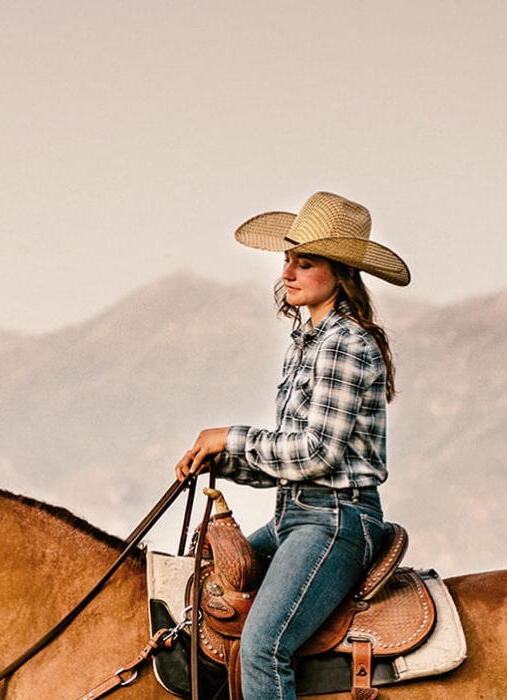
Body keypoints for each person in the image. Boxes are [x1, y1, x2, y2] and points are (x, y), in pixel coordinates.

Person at [172, 191, 410, 700]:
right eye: (287, 260)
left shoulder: (347, 342)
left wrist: (230, 436)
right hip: (292, 516)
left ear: (340, 272)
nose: (288, 273)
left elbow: (317, 452)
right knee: (198, 600)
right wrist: (223, 462)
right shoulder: (306, 343)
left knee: (263, 645)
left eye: (305, 263)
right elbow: (289, 462)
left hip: (337, 521)